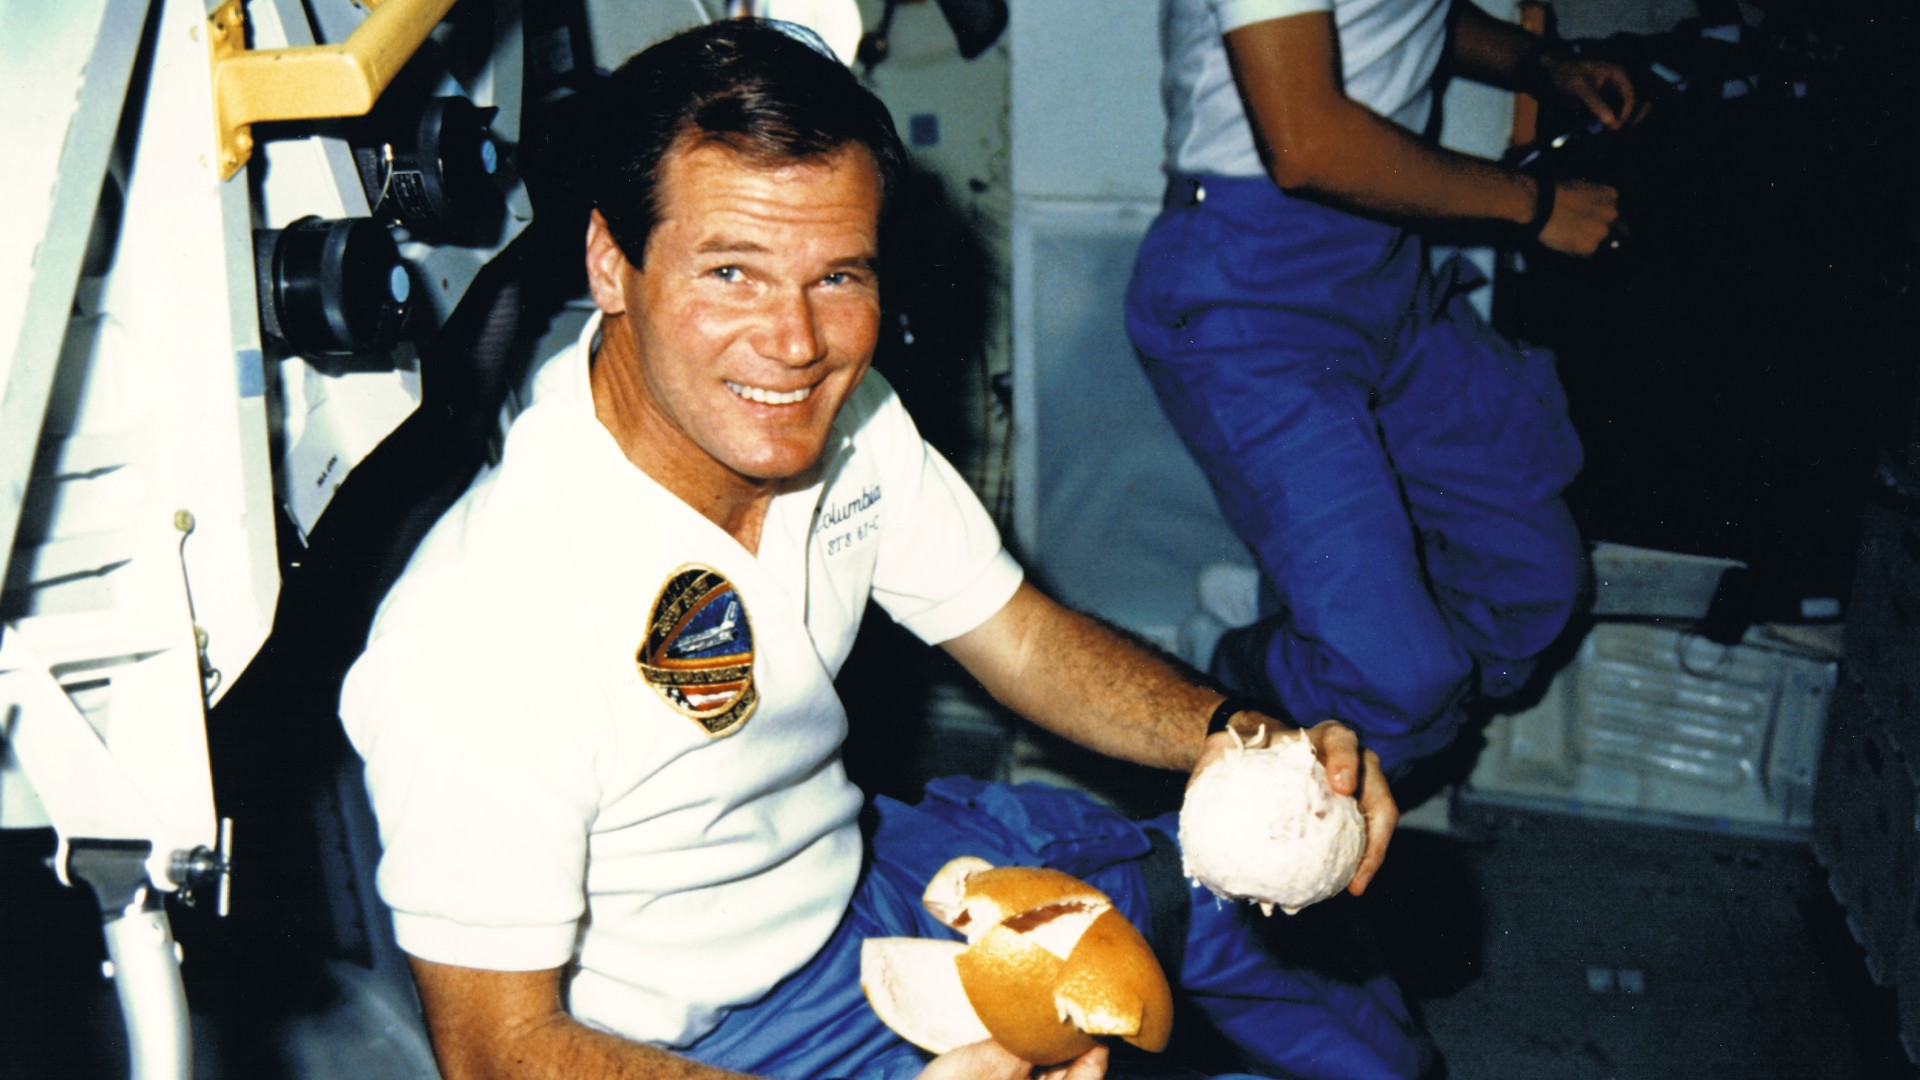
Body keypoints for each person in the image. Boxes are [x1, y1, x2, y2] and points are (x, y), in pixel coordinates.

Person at [340, 17, 1424, 1080]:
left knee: (1226, 908)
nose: (798, 343)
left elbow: (1020, 639)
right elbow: (499, 1050)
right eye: (732, 272)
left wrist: (1240, 741)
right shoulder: (477, 626)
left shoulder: (847, 424)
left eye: (839, 276)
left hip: (861, 881)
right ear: (610, 263)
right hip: (699, 1045)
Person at [1124, 0, 1648, 781]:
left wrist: (1537, 64)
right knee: (1397, 684)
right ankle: (1233, 677)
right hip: (1251, 296)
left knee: (1534, 583)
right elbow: (1305, 143)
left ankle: (1325, 658)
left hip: (1383, 271)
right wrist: (1532, 205)